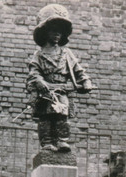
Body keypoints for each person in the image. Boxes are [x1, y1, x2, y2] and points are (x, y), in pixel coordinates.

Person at [26, 4, 93, 152]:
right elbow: (33, 73)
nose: (57, 34)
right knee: (46, 118)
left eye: (60, 32)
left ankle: (62, 141)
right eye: (53, 30)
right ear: (45, 32)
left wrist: (86, 81)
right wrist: (40, 82)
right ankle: (47, 143)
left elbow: (78, 71)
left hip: (62, 91)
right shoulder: (39, 55)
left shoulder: (67, 54)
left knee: (62, 117)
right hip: (46, 92)